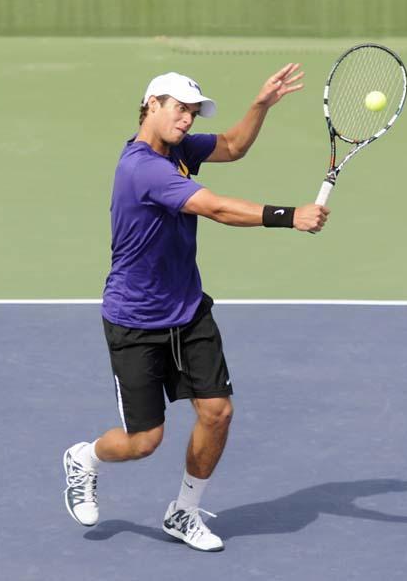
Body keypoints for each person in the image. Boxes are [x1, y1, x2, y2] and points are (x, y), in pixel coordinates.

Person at [63, 66, 329, 552]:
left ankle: (183, 513)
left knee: (217, 412)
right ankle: (85, 459)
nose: (187, 119)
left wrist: (261, 105)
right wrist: (289, 217)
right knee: (144, 441)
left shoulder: (179, 150)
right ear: (151, 106)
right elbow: (216, 208)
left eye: (192, 111)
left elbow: (232, 145)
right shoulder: (142, 168)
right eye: (179, 109)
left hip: (187, 310)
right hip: (136, 320)